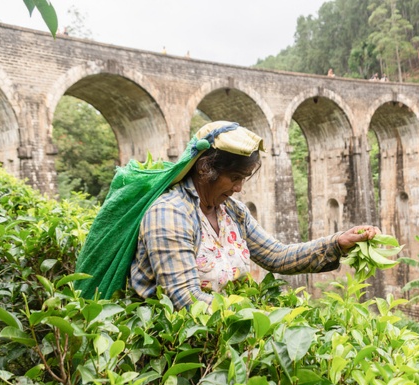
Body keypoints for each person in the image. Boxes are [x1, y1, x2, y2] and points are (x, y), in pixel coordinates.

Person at [129, 121, 381, 309]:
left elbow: (277, 256)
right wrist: (256, 316)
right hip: (170, 350)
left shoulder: (233, 212)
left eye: (243, 179)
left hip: (219, 333)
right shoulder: (170, 214)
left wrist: (338, 243)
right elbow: (185, 298)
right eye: (235, 178)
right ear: (205, 169)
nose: (239, 188)